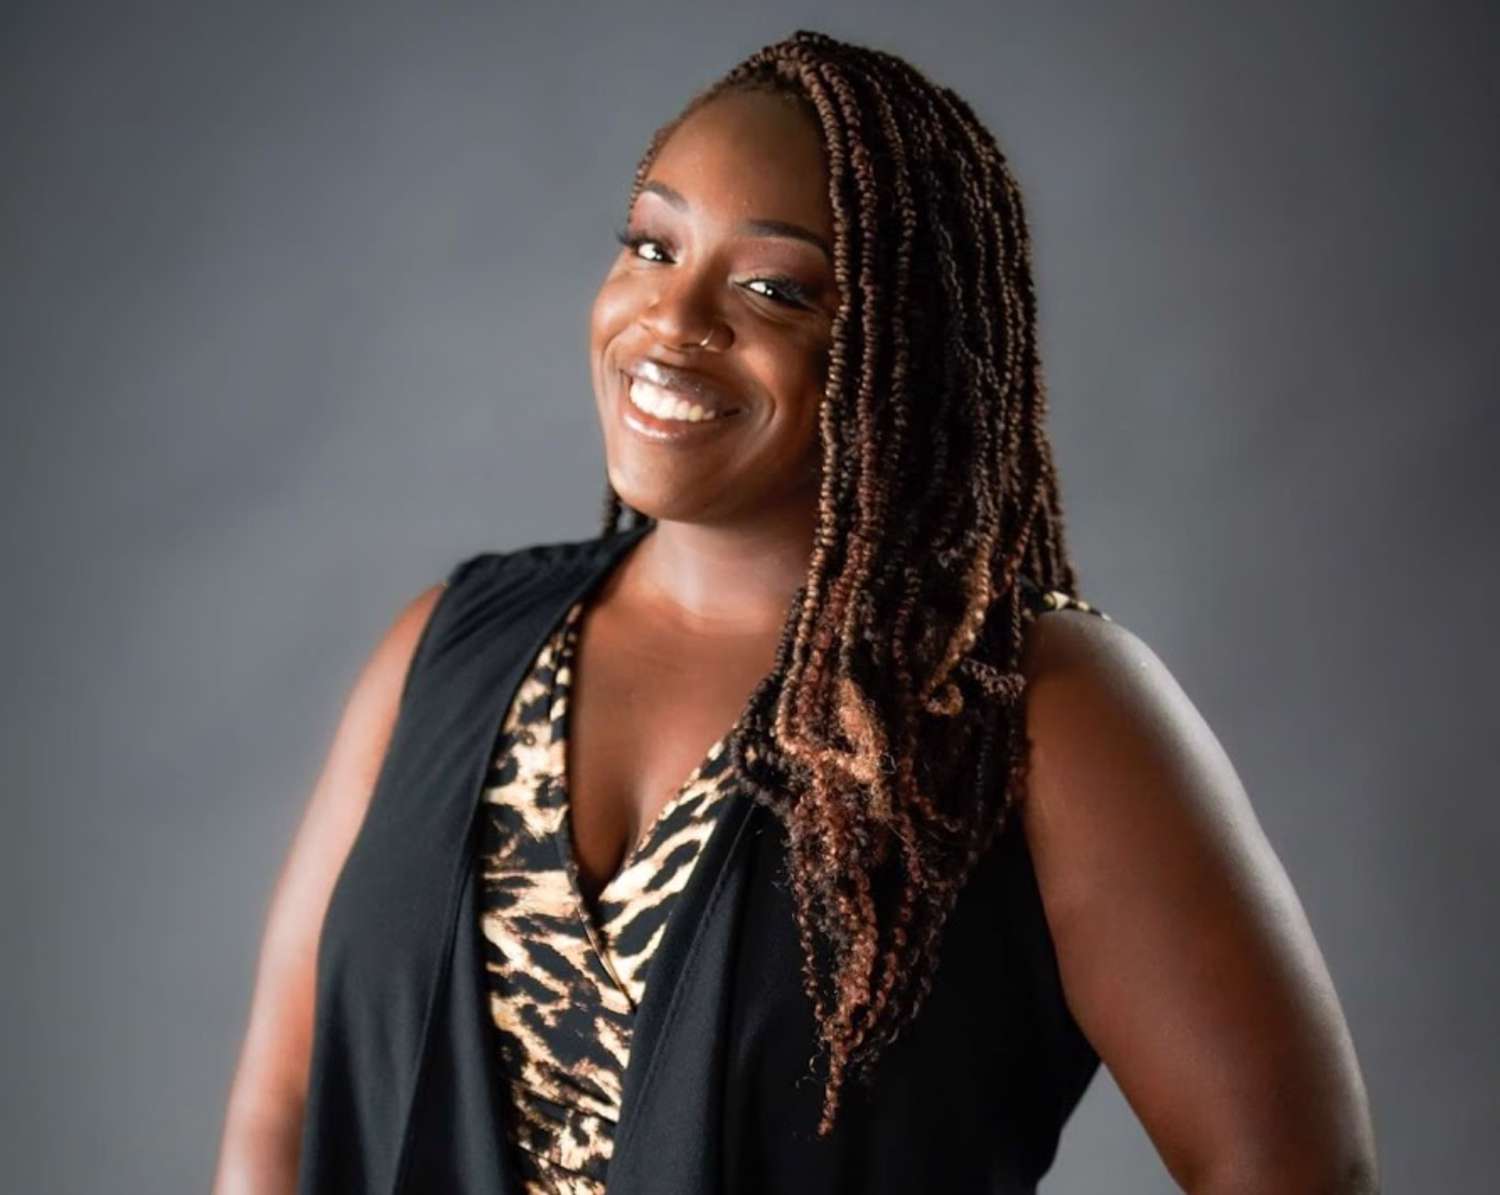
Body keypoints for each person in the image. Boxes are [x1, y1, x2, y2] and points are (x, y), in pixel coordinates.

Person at [212, 29, 1379, 1195]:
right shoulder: (446, 647)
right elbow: (281, 1105)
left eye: (775, 289)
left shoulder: (1033, 709)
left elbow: (1293, 1166)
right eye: (653, 245)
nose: (673, 318)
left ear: (904, 344)